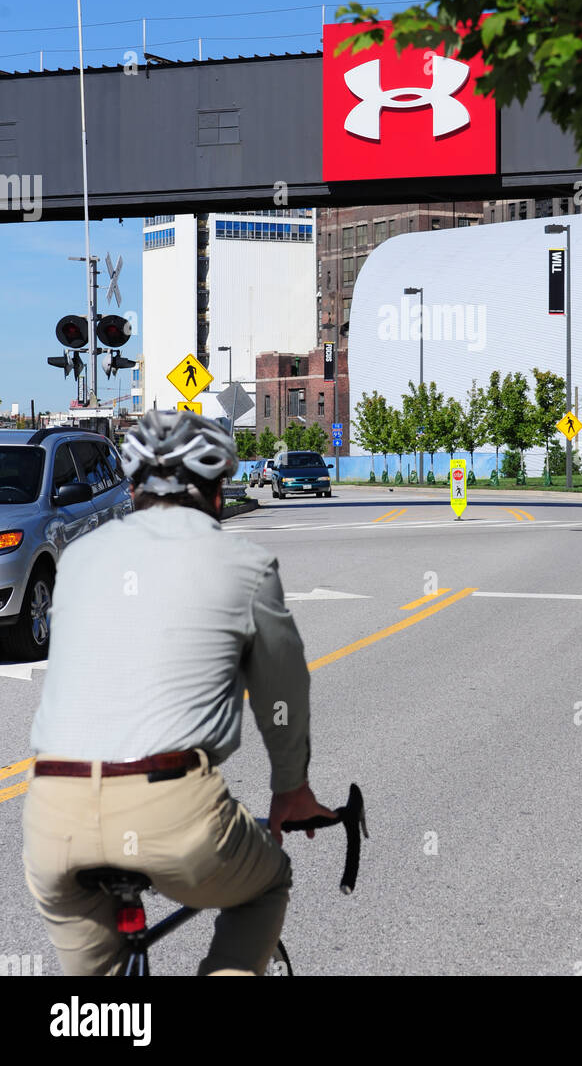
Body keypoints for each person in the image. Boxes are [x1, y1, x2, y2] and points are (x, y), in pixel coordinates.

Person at [22, 409, 331, 976]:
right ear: (217, 496)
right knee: (266, 884)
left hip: (51, 813)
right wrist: (292, 789)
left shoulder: (84, 557)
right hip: (171, 812)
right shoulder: (245, 564)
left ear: (132, 490)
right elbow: (282, 690)